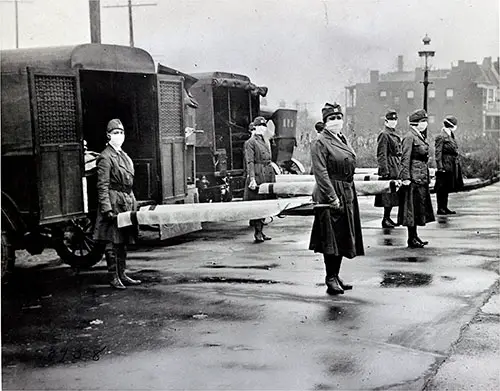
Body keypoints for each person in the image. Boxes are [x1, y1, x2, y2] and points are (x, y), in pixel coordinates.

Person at [309, 103, 364, 295]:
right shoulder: (320, 142)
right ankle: (329, 277)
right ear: (325, 122)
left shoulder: (341, 138)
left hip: (346, 189)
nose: (336, 121)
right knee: (330, 237)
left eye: (339, 117)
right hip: (330, 191)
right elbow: (321, 172)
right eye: (332, 119)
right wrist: (332, 197)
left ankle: (336, 274)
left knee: (341, 235)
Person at [93, 119, 141, 289]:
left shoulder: (124, 156)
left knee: (124, 239)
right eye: (115, 133)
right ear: (108, 135)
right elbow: (102, 186)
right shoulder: (105, 157)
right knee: (112, 242)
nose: (119, 136)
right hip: (113, 202)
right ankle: (113, 276)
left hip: (125, 200)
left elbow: (129, 182)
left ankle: (122, 274)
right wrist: (106, 208)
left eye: (121, 132)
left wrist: (133, 203)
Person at [397, 109, 435, 248]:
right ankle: (411, 238)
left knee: (417, 208)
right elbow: (405, 158)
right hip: (413, 178)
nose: (425, 124)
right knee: (411, 210)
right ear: (416, 123)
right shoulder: (409, 137)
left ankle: (415, 236)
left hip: (420, 176)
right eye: (423, 121)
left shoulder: (418, 136)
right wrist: (405, 177)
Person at [243, 116, 276, 243]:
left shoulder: (264, 140)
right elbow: (250, 162)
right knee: (258, 204)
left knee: (266, 204)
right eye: (260, 126)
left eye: (264, 126)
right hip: (258, 174)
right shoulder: (250, 142)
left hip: (267, 173)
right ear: (255, 127)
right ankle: (257, 232)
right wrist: (252, 179)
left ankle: (261, 231)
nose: (262, 128)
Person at [375, 110, 402, 228]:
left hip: (396, 166)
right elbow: (381, 154)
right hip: (390, 166)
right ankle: (385, 218)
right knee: (388, 196)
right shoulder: (384, 134)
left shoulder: (392, 134)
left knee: (392, 195)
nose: (393, 122)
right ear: (386, 121)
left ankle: (388, 218)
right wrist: (384, 170)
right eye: (391, 120)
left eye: (395, 120)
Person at [434, 116, 463, 215]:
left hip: (451, 164)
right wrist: (440, 167)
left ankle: (444, 207)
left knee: (446, 187)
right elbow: (438, 153)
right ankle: (440, 208)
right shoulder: (441, 136)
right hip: (445, 164)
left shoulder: (450, 134)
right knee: (441, 188)